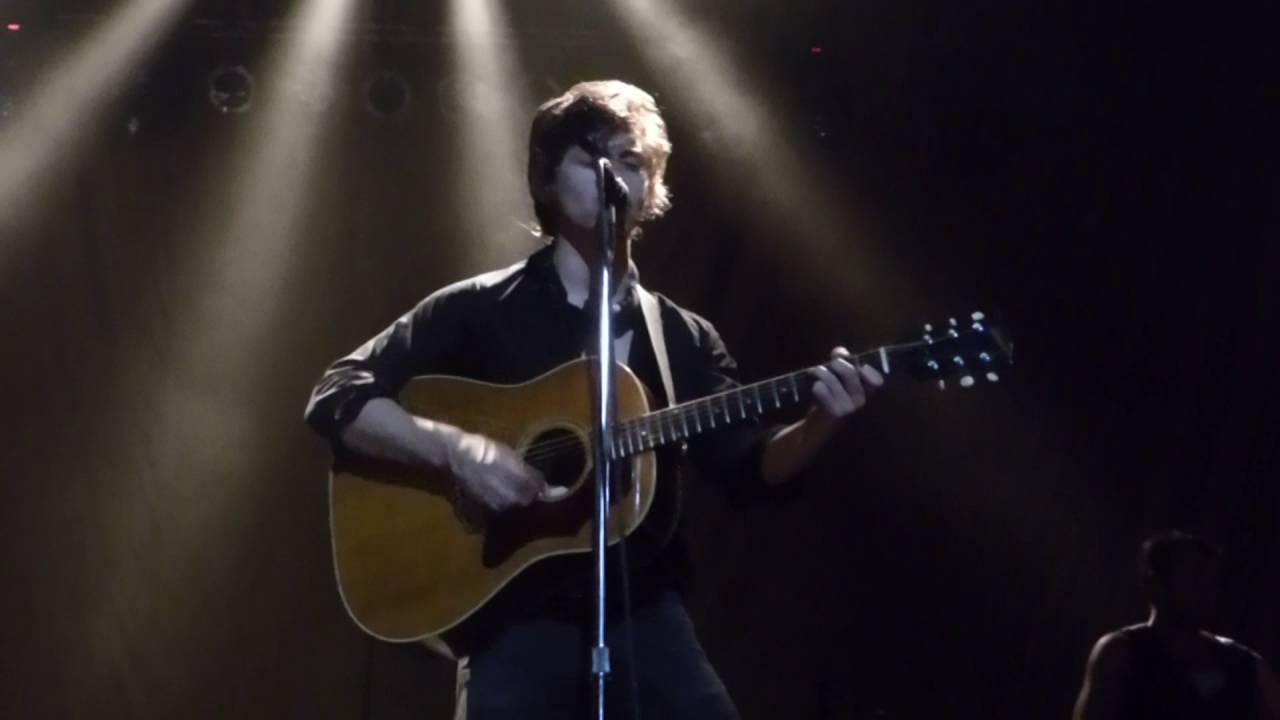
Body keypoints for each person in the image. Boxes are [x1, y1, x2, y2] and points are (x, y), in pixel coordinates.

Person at [304, 79, 883, 720]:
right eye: (594, 158)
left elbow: (748, 466)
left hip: (642, 610)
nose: (617, 175)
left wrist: (821, 423)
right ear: (549, 180)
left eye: (633, 162)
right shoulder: (477, 309)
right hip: (512, 615)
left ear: (651, 187)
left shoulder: (682, 337)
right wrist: (458, 451)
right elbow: (339, 394)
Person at [1072, 530, 1280, 720]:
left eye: (1211, 581)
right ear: (1156, 584)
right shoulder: (1122, 653)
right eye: (1195, 578)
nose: (1207, 591)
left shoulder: (1244, 665)